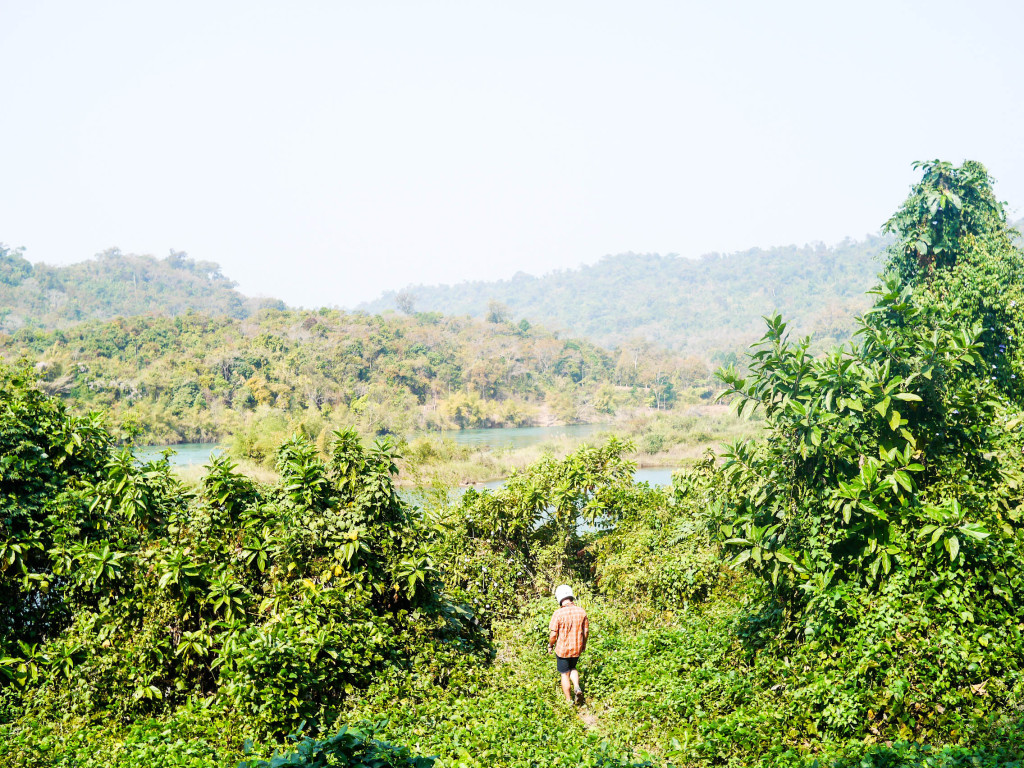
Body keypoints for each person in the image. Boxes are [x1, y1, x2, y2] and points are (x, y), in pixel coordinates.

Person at [548, 584, 588, 706]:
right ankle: (577, 686)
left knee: (564, 673)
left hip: (563, 650)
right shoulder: (581, 611)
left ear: (559, 598)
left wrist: (550, 645)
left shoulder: (558, 613)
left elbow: (553, 634)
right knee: (573, 668)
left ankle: (568, 701)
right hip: (576, 648)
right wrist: (583, 644)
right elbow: (586, 631)